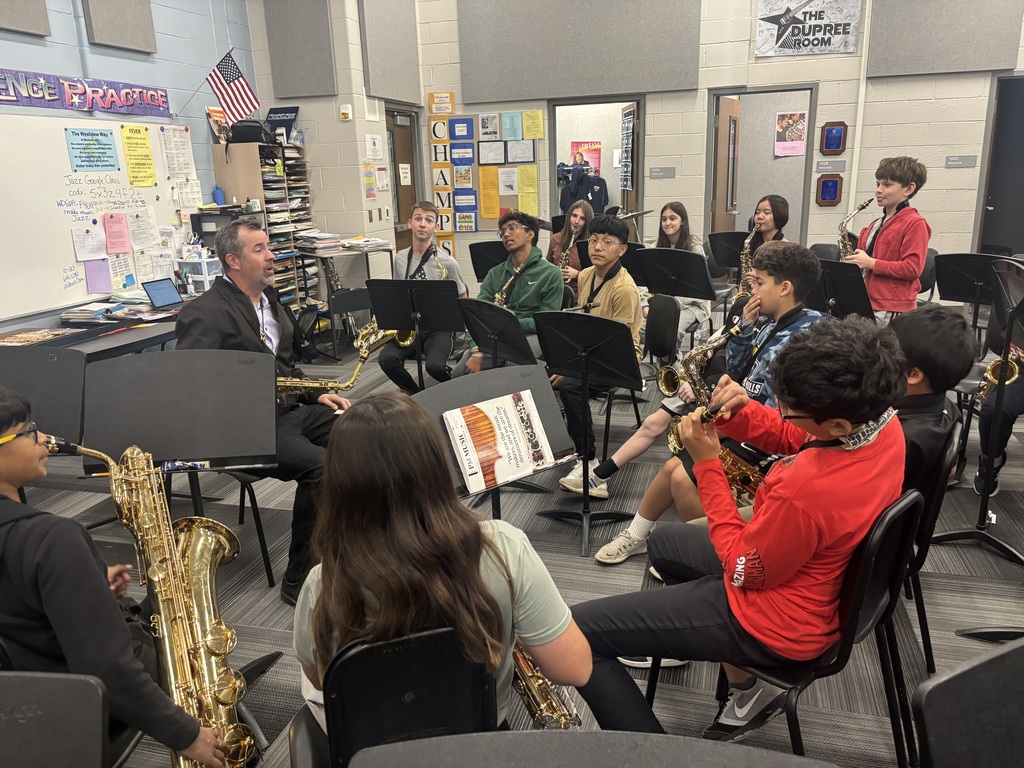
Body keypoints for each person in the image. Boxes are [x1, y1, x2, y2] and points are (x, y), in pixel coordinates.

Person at [572, 317, 908, 741]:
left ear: (837, 424)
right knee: (664, 542)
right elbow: (800, 435)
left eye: (791, 406)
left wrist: (709, 464)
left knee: (580, 634)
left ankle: (654, 752)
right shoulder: (880, 421)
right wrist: (743, 414)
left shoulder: (805, 490)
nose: (785, 411)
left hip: (774, 623)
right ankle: (742, 683)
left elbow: (743, 569)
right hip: (814, 584)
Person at [292, 393, 592, 730]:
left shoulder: (323, 583)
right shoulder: (504, 547)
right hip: (478, 742)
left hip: (378, 750)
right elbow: (575, 669)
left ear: (339, 484)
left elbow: (321, 681)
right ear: (436, 464)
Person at [0, 386, 228, 767]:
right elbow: (108, 669)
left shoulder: (32, 542)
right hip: (77, 701)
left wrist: (81, 581)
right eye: (28, 430)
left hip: (21, 695)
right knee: (192, 643)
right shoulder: (53, 539)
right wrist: (187, 735)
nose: (44, 438)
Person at [573, 242, 821, 549]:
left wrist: (721, 419)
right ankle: (636, 535)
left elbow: (783, 417)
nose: (752, 289)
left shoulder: (806, 335)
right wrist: (743, 327)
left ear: (784, 288)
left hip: (769, 452)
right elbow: (737, 366)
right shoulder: (770, 322)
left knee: (681, 476)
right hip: (748, 429)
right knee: (671, 467)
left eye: (759, 283)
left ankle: (703, 553)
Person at [176, 219, 350, 605]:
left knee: (364, 433)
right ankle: (301, 580)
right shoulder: (204, 313)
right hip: (241, 427)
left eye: (269, 247)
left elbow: (285, 366)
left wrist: (314, 394)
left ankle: (350, 551)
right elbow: (192, 386)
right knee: (322, 468)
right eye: (260, 249)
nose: (272, 256)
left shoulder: (271, 300)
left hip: (288, 411)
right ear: (233, 261)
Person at [556, 215, 643, 487]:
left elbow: (618, 345)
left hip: (620, 358)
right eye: (593, 240)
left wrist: (572, 367)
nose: (598, 247)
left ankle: (588, 460)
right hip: (591, 350)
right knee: (544, 376)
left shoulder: (625, 289)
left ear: (622, 249)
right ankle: (567, 447)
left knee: (571, 386)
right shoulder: (587, 276)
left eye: (607, 242)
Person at [452, 210, 564, 376]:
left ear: (530, 234)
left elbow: (545, 322)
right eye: (502, 231)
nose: (506, 234)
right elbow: (476, 316)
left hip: (532, 336)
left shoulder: (551, 273)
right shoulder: (494, 273)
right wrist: (476, 349)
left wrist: (509, 323)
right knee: (459, 373)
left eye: (512, 227)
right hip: (498, 336)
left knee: (511, 370)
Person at [377, 201, 468, 394]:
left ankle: (460, 390)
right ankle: (417, 395)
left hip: (439, 328)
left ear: (436, 227)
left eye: (428, 220)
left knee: (434, 367)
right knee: (386, 360)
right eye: (418, 219)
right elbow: (397, 294)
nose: (422, 224)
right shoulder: (400, 258)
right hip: (409, 326)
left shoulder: (448, 263)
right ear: (410, 223)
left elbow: (462, 296)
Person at [888, 306, 979, 492]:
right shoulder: (950, 408)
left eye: (887, 354)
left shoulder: (899, 436)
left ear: (913, 375)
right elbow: (952, 470)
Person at [844, 156, 930, 321]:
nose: (878, 190)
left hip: (892, 307)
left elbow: (912, 269)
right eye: (878, 184)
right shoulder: (875, 224)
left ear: (908, 189)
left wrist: (871, 263)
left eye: (887, 185)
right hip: (867, 301)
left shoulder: (915, 223)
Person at [642, 202, 711, 359]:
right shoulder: (654, 247)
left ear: (683, 222)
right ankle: (670, 368)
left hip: (692, 306)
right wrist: (645, 305)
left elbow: (698, 289)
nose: (667, 223)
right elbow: (643, 282)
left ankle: (670, 371)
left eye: (672, 218)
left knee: (671, 330)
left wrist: (666, 308)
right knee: (637, 326)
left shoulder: (695, 249)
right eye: (664, 219)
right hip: (662, 306)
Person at [545, 200, 592, 299]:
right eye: (574, 216)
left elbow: (598, 275)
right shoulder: (556, 239)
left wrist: (577, 274)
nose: (576, 221)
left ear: (587, 222)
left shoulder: (592, 244)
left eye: (582, 218)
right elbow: (549, 266)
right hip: (556, 293)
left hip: (581, 296)